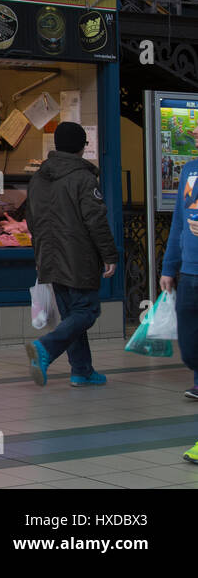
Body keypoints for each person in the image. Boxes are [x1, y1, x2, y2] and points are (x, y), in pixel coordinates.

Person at [23, 121, 118, 387]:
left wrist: (40, 252)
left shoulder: (39, 178)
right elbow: (96, 221)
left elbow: (31, 220)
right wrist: (110, 255)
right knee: (87, 312)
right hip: (78, 258)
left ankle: (82, 370)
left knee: (72, 316)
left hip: (48, 256)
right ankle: (44, 348)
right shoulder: (83, 178)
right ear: (81, 148)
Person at [160, 154, 198, 463]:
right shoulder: (189, 169)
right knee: (190, 350)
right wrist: (169, 267)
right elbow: (178, 222)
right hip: (189, 273)